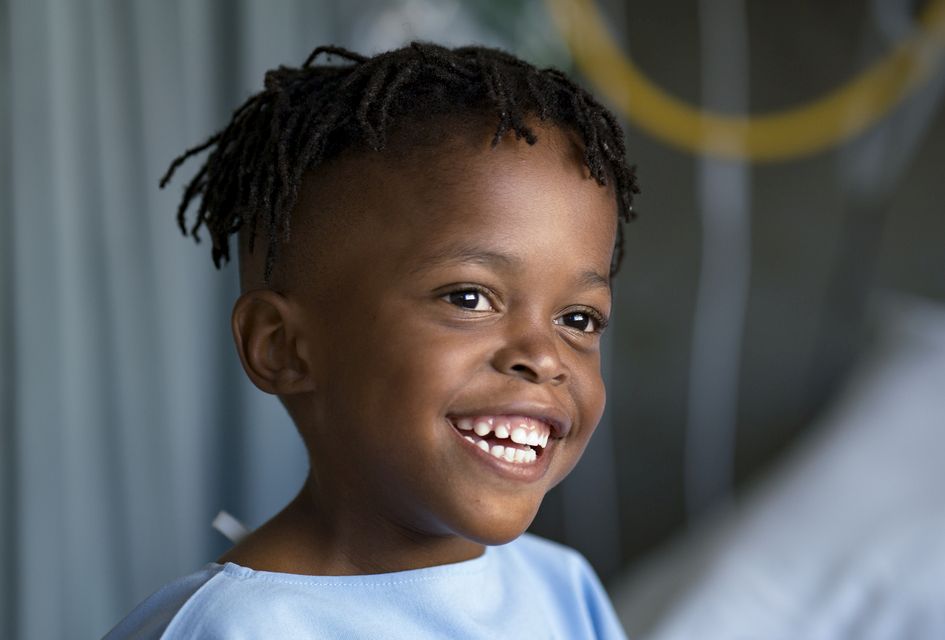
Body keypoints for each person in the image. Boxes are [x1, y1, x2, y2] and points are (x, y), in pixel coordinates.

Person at [105, 41, 639, 639]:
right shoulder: (232, 628)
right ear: (283, 347)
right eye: (468, 298)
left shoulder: (561, 588)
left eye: (579, 319)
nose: (544, 358)